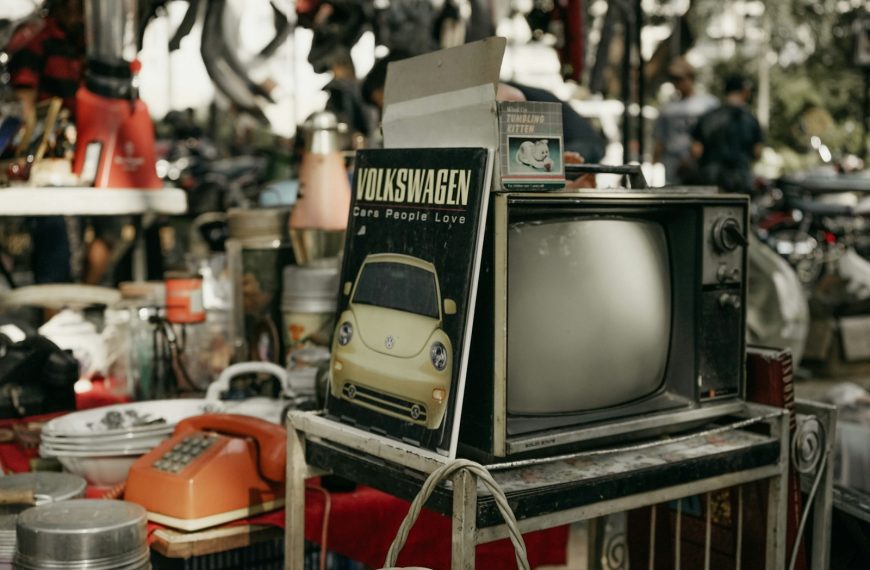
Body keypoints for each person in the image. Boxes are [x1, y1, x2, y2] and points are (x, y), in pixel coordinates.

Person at [8, 0, 119, 286]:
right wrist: (33, 145)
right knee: (58, 249)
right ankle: (57, 319)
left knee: (110, 234)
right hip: (51, 164)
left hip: (90, 156)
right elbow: (24, 106)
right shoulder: (36, 38)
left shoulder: (88, 44)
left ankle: (74, 311)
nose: (79, 10)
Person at [691, 73, 763, 194]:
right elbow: (757, 152)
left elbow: (695, 151)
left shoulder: (707, 117)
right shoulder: (751, 120)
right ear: (744, 92)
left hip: (711, 181)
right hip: (741, 181)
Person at [651, 57, 718, 185]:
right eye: (674, 80)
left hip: (700, 163)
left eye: (680, 79)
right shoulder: (668, 108)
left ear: (691, 78)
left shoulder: (708, 105)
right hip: (673, 163)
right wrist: (654, 163)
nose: (677, 84)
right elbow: (660, 138)